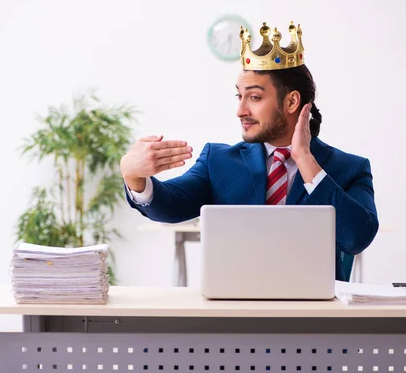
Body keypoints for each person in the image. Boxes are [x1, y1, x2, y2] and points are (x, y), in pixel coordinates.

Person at [120, 21, 379, 281]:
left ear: (291, 101)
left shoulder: (350, 169)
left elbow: (357, 238)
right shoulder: (219, 161)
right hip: (236, 312)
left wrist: (305, 160)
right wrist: (135, 178)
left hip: (314, 314)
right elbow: (170, 206)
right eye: (239, 96)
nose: (240, 110)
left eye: (254, 97)